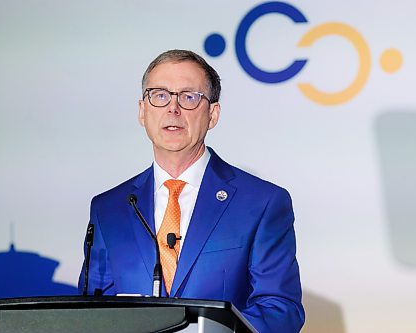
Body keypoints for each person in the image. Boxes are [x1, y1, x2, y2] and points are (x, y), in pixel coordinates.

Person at [78, 49, 305, 333]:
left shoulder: (262, 203)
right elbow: (92, 309)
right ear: (142, 111)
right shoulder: (109, 208)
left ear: (212, 114)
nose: (173, 109)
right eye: (159, 95)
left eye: (189, 97)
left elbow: (280, 310)